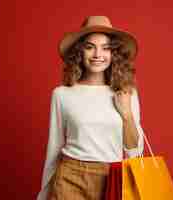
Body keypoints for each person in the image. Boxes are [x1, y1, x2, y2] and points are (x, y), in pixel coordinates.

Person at [36, 16, 145, 200]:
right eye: (89, 47)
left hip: (113, 177)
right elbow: (54, 148)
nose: (97, 55)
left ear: (114, 54)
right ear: (80, 52)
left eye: (106, 48)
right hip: (70, 177)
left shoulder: (127, 93)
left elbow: (135, 151)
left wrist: (126, 114)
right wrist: (44, 192)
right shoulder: (62, 94)